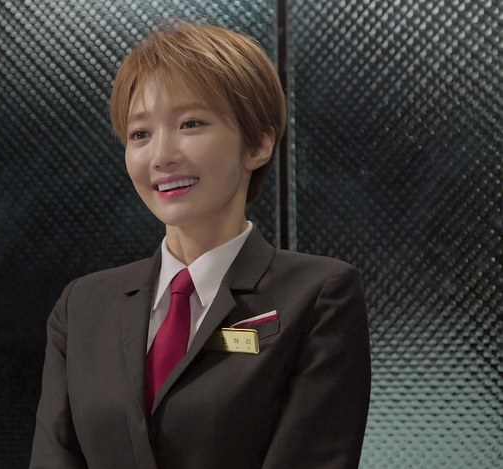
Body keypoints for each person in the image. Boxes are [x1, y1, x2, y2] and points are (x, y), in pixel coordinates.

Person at [31, 21, 370, 469]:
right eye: (140, 134)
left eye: (190, 124)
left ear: (258, 143)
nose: (161, 156)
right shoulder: (82, 306)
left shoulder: (319, 295)